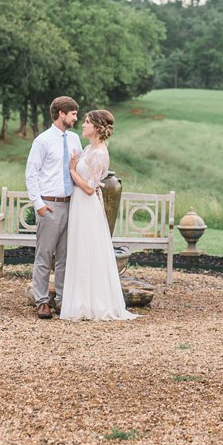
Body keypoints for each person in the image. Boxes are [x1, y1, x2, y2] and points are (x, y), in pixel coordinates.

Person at [59, 109, 137, 322]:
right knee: (80, 249)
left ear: (97, 127)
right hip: (79, 204)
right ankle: (81, 301)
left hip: (86, 204)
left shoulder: (100, 153)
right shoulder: (89, 148)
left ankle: (93, 303)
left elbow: (90, 188)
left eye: (86, 122)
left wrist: (72, 170)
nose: (82, 125)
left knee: (87, 250)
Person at [24, 96, 80, 319]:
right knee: (45, 255)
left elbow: (79, 168)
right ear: (61, 114)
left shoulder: (75, 139)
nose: (76, 118)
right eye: (73, 114)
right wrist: (39, 205)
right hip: (50, 206)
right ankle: (41, 301)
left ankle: (62, 299)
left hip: (71, 205)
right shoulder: (42, 141)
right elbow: (31, 174)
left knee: (66, 256)